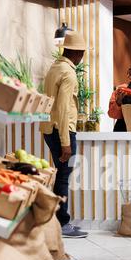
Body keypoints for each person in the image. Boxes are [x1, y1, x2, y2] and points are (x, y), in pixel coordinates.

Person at [40, 31, 88, 238]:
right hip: (63, 130)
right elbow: (62, 109)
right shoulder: (68, 73)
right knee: (63, 177)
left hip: (50, 129)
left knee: (60, 175)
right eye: (83, 52)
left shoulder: (54, 68)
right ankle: (62, 223)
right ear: (78, 53)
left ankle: (58, 221)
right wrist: (66, 143)